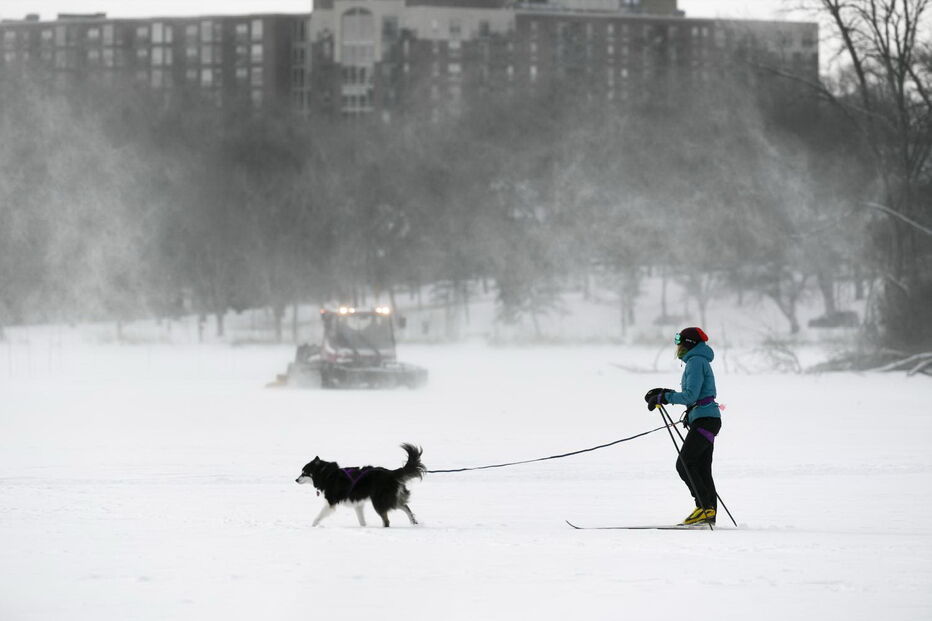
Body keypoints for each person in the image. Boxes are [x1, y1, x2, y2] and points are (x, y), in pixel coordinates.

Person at [644, 327, 722, 526]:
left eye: (680, 342)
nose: (677, 347)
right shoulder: (698, 361)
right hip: (708, 419)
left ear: (689, 344)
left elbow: (690, 396)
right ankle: (708, 512)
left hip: (705, 420)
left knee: (684, 463)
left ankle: (704, 507)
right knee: (702, 468)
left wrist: (665, 397)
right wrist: (665, 392)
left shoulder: (695, 362)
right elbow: (693, 394)